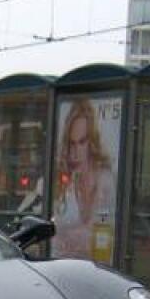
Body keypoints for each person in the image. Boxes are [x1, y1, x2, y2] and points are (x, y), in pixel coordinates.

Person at [52, 98, 116, 260]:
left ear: (91, 142)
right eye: (72, 143)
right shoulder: (67, 181)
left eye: (82, 142)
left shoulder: (106, 181)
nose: (76, 151)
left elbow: (108, 236)